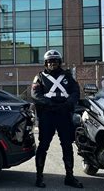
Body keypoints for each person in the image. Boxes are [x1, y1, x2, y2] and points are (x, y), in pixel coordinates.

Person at [31, 50, 83, 188]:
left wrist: (68, 104)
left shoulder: (67, 76)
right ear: (45, 63)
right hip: (47, 115)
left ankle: (70, 177)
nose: (52, 63)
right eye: (49, 61)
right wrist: (50, 104)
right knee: (43, 146)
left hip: (64, 114)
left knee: (67, 145)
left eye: (55, 61)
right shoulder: (39, 77)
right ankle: (39, 177)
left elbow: (76, 91)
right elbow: (35, 94)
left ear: (59, 62)